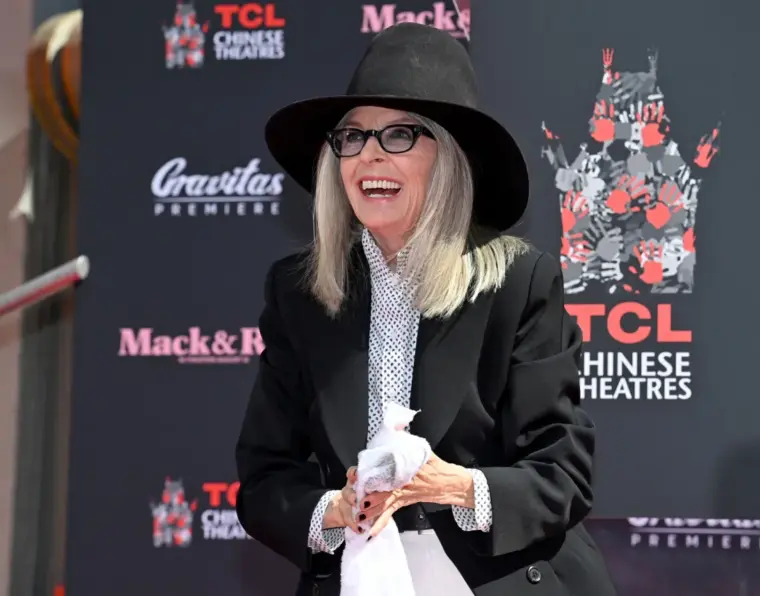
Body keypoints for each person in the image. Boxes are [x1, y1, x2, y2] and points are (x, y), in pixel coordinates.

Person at [235, 22, 617, 596]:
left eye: (398, 135)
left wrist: (453, 486)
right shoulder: (299, 293)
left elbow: (561, 474)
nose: (369, 155)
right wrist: (335, 509)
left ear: (449, 157)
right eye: (352, 137)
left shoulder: (518, 282)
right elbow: (264, 478)